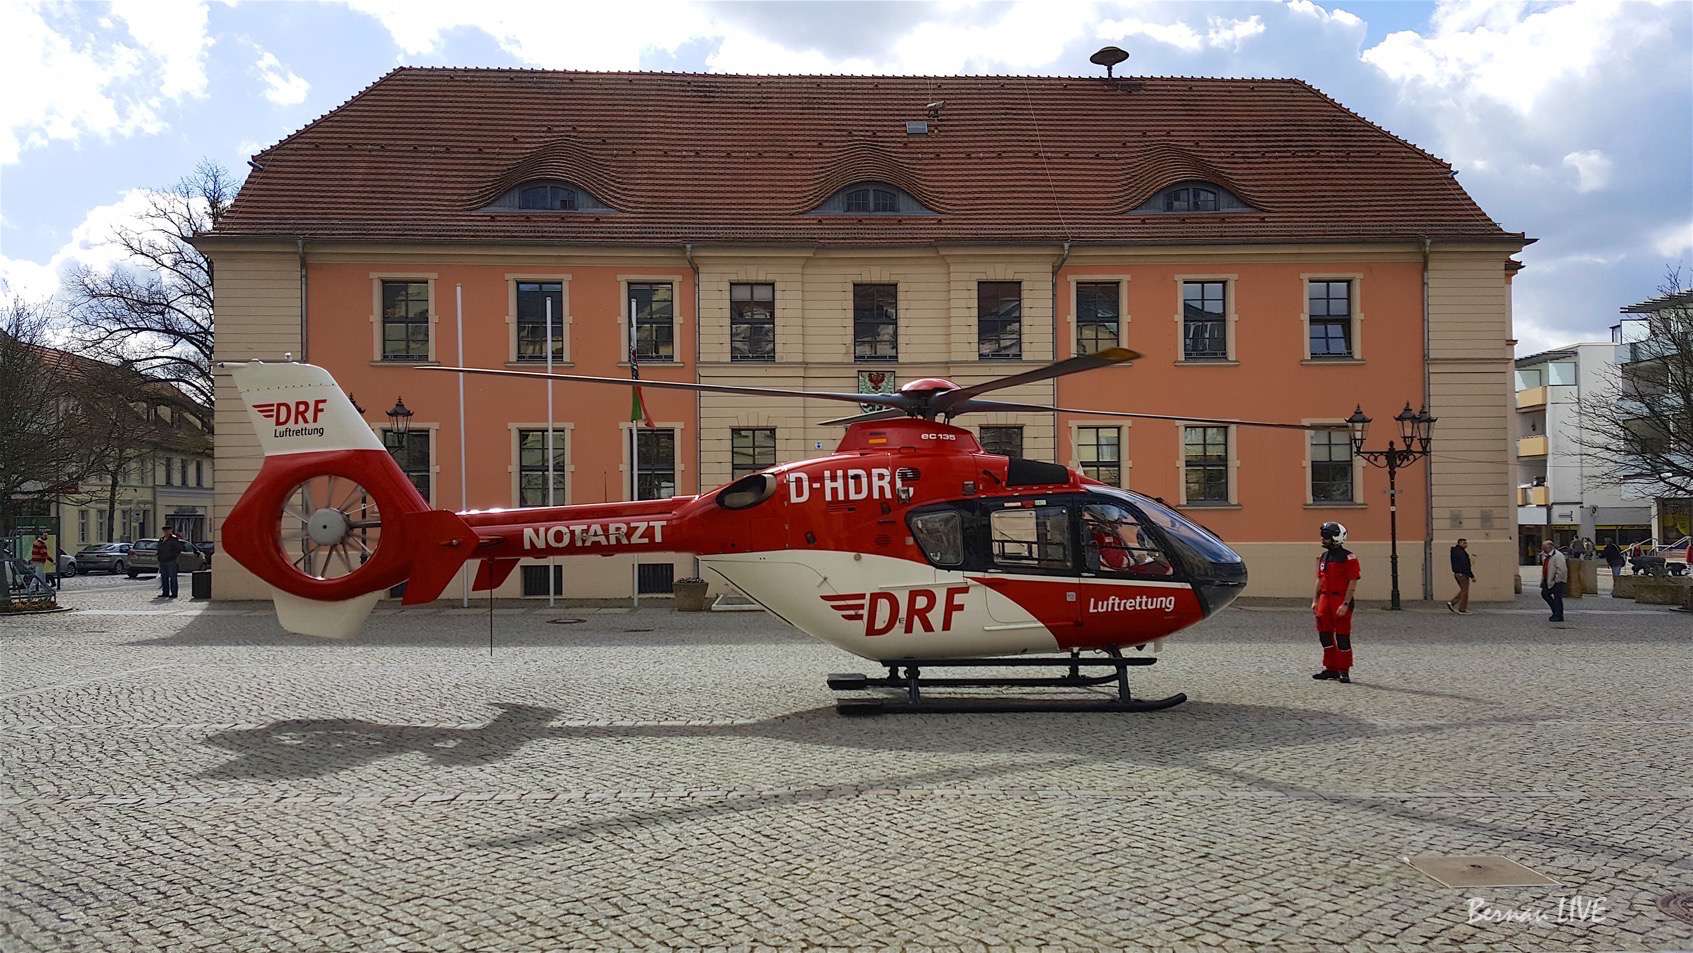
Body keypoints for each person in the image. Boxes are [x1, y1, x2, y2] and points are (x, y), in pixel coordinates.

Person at [1311, 521, 1361, 684]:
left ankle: (1344, 670)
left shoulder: (1348, 557)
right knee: (1324, 635)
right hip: (1325, 598)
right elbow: (1319, 579)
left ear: (1335, 538)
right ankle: (1330, 668)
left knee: (1342, 636)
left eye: (1325, 536)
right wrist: (1315, 600)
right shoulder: (1324, 557)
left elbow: (1353, 581)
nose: (1322, 539)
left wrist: (1345, 603)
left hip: (1340, 598)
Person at [1539, 539, 1567, 623]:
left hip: (1557, 580)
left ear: (1550, 547)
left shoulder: (1558, 555)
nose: (1543, 549)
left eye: (1545, 547)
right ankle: (1556, 612)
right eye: (1543, 547)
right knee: (1545, 594)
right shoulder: (1546, 555)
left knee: (1557, 598)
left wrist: (1557, 579)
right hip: (1547, 579)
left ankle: (1558, 615)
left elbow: (1562, 569)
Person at [1446, 538, 1474, 614]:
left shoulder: (1455, 551)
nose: (1466, 544)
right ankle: (1461, 608)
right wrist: (1471, 575)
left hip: (1457, 573)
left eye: (1466, 543)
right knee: (1465, 592)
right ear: (1459, 543)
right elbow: (1465, 565)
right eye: (1464, 543)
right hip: (1463, 574)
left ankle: (1452, 603)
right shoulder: (1461, 553)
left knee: (1463, 590)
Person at [157, 529, 186, 599]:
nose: (165, 532)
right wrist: (159, 556)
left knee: (173, 577)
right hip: (162, 560)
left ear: (170, 531)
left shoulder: (174, 539)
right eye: (164, 531)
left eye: (167, 531)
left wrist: (173, 556)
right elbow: (159, 548)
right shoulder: (161, 539)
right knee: (164, 577)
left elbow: (178, 549)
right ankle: (165, 592)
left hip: (171, 561)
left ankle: (174, 593)